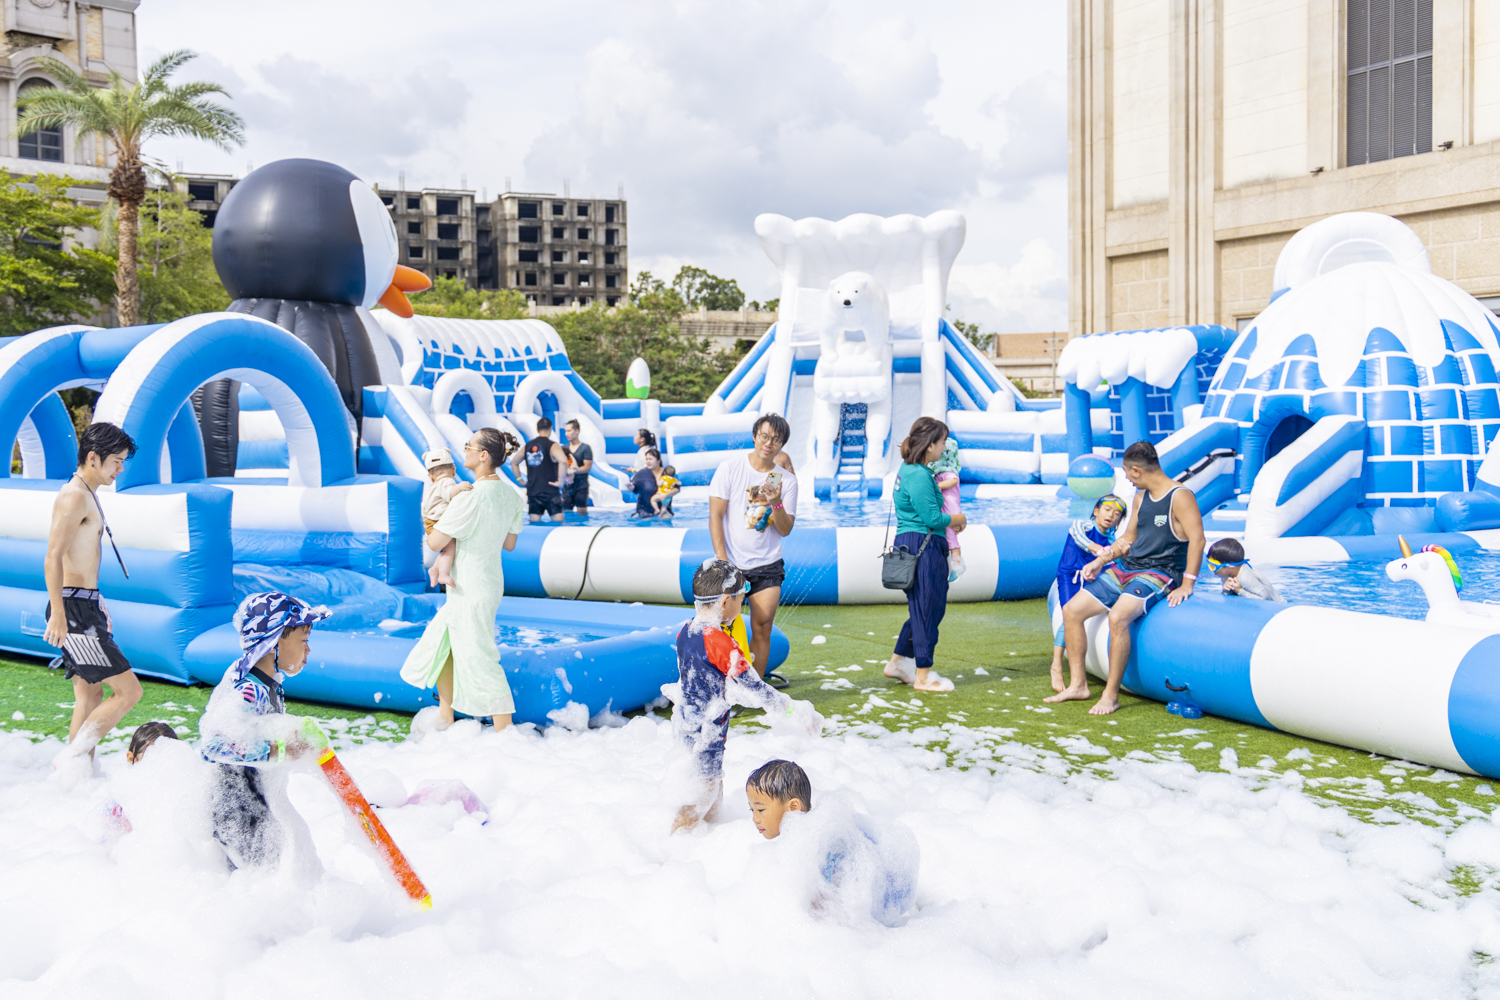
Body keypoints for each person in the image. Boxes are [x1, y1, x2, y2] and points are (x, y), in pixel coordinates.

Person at [1047, 440, 1206, 715]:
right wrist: (1100, 561)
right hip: (1127, 567)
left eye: (1126, 472)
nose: (1127, 479)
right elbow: (1128, 538)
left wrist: (1188, 583)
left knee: (1118, 617)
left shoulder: (1180, 496)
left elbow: (1198, 539)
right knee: (1071, 611)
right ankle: (1078, 685)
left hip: (1159, 572)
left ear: (1136, 471)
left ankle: (1111, 696)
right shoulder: (1141, 497)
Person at [670, 560, 821, 833]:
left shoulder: (686, 631)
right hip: (708, 731)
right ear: (725, 601)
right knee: (700, 795)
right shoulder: (720, 643)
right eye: (742, 600)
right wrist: (794, 712)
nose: (742, 606)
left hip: (688, 725)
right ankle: (674, 844)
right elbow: (757, 689)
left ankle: (706, 836)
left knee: (709, 786)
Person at [199, 591, 331, 872]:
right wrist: (278, 750)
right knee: (254, 877)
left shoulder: (268, 684)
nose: (309, 650)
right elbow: (212, 746)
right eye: (304, 640)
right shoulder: (249, 690)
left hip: (252, 802)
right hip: (235, 809)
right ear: (273, 643)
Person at [403, 428, 525, 730]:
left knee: (481, 656)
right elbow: (509, 543)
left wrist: (429, 517)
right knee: (442, 644)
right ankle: (445, 716)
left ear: (483, 455)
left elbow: (435, 542)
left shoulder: (469, 497)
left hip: (469, 587)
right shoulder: (511, 494)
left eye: (469, 446)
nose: (465, 449)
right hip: (486, 582)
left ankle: (505, 732)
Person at [43, 422, 143, 771]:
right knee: (129, 692)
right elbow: (52, 556)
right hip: (74, 611)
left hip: (84, 606)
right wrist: (59, 614)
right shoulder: (74, 495)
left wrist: (93, 603)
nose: (120, 469)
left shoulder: (87, 493)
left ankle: (75, 776)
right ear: (92, 457)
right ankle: (67, 762)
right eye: (116, 461)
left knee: (90, 694)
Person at [708, 413, 798, 682]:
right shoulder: (730, 468)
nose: (769, 443)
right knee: (721, 627)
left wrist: (777, 502)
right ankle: (722, 684)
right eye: (765, 436)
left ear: (782, 444)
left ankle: (753, 689)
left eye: (776, 440)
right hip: (731, 563)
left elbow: (785, 530)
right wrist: (723, 562)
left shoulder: (785, 480)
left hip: (767, 564)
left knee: (763, 626)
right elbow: (715, 516)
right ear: (755, 436)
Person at [883, 417, 967, 693]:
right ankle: (923, 675)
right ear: (930, 444)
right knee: (927, 610)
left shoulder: (910, 470)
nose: (944, 447)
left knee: (924, 609)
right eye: (941, 442)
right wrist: (959, 518)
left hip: (916, 543)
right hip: (923, 545)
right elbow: (932, 518)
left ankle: (899, 662)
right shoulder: (919, 474)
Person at [1048, 495, 1127, 692]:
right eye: (1107, 510)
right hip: (1070, 576)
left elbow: (1116, 562)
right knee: (1069, 616)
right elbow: (1081, 540)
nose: (1111, 515)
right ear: (1096, 511)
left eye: (1117, 514)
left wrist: (1123, 554)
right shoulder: (1081, 525)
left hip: (1092, 577)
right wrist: (1102, 551)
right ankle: (1056, 664)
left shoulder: (1112, 540)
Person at [421, 448, 472, 587]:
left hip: (430, 522)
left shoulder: (432, 486)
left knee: (447, 549)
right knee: (450, 549)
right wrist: (460, 487)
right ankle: (443, 575)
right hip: (439, 522)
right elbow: (450, 493)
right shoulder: (447, 481)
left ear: (430, 476)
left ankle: (434, 569)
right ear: (454, 471)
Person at [511, 417, 569, 523]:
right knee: (559, 524)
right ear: (551, 428)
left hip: (534, 491)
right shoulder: (553, 445)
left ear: (537, 429)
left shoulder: (528, 446)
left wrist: (520, 480)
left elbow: (514, 462)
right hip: (550, 491)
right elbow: (564, 462)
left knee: (534, 525)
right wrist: (560, 482)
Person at [746, 758, 810, 839]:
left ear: (793, 808)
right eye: (751, 810)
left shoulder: (812, 843)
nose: (755, 819)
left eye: (760, 810)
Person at [929, 438, 965, 582]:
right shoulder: (939, 473)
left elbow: (953, 480)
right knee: (948, 538)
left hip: (950, 511)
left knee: (951, 539)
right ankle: (953, 564)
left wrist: (939, 486)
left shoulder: (947, 472)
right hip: (947, 510)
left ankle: (957, 565)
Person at [1207, 537, 1285, 602]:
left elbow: (1265, 599)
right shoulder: (1226, 573)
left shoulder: (1245, 577)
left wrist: (1239, 590)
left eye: (1214, 566)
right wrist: (1226, 590)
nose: (1212, 570)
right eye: (1210, 565)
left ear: (1230, 565)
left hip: (1279, 607)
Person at [562, 419, 594, 515]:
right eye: (565, 431)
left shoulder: (585, 448)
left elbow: (587, 467)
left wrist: (576, 470)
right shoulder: (563, 448)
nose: (566, 434)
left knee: (582, 514)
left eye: (569, 431)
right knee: (566, 514)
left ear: (577, 431)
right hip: (567, 487)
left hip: (581, 486)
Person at [631, 448, 662, 518]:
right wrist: (630, 488)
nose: (648, 461)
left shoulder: (665, 473)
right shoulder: (642, 474)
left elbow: (676, 489)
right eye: (647, 459)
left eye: (650, 459)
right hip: (645, 512)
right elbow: (632, 489)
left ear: (658, 461)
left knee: (666, 519)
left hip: (662, 510)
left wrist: (665, 496)